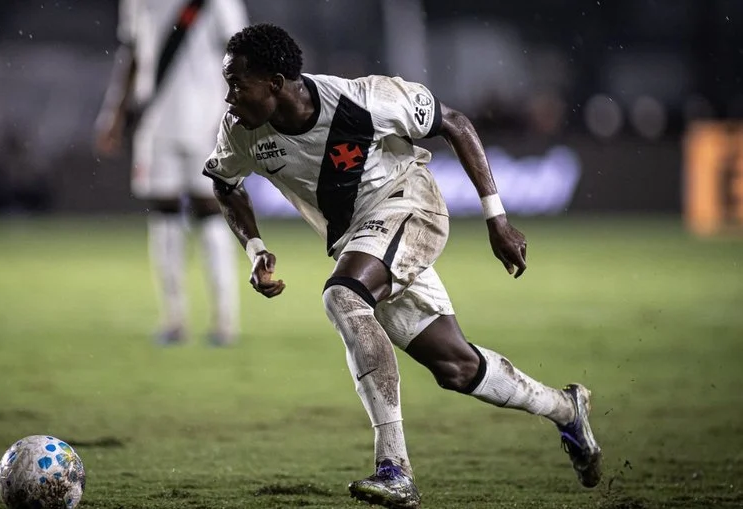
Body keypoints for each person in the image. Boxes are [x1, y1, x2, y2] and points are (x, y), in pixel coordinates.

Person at [203, 23, 602, 508]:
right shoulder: (241, 130)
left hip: (409, 207)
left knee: (343, 296)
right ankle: (566, 410)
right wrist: (255, 247)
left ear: (275, 82)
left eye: (237, 84)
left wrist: (496, 218)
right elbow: (225, 184)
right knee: (455, 367)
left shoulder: (365, 100)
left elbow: (455, 122)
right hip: (360, 240)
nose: (229, 97)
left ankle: (394, 468)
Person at [95, 0, 248, 346]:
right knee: (164, 214)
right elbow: (132, 52)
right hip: (156, 123)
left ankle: (224, 321)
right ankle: (174, 320)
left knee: (208, 211)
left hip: (206, 121)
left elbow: (240, 55)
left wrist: (236, 116)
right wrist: (113, 114)